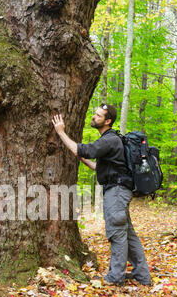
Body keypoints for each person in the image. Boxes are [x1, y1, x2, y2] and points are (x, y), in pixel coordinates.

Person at [52, 104, 152, 286]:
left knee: (117, 234)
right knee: (128, 235)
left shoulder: (109, 140)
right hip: (119, 191)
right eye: (95, 113)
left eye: (98, 115)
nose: (94, 117)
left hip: (116, 193)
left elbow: (79, 149)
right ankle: (142, 275)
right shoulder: (111, 142)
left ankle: (115, 278)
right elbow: (99, 167)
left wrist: (61, 132)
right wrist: (83, 159)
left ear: (108, 121)